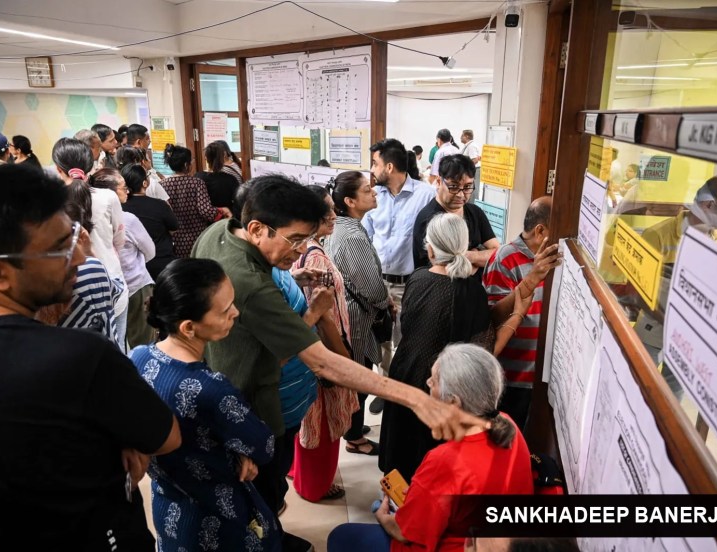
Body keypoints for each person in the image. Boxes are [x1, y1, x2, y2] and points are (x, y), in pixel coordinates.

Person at [192, 174, 488, 551]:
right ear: (256, 227)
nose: (299, 250)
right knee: (257, 492)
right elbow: (324, 363)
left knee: (267, 489)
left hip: (260, 394)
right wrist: (417, 399)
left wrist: (292, 273)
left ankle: (272, 533)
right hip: (253, 406)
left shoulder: (221, 231)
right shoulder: (250, 284)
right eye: (295, 240)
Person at [0, 163, 181, 550]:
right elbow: (166, 438)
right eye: (60, 248)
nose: (80, 256)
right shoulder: (79, 358)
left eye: (75, 234)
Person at [129, 258, 280, 551]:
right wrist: (241, 453)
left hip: (169, 505)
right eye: (225, 311)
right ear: (189, 327)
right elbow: (264, 446)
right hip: (216, 515)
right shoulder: (211, 389)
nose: (235, 313)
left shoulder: (138, 357)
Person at [328, 344, 533, 552]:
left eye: (433, 381)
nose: (427, 383)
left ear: (453, 402)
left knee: (343, 534)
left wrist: (383, 517)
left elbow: (404, 532)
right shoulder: (508, 425)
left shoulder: (444, 461)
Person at [380, 213, 527, 481]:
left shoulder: (418, 278)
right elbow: (483, 349)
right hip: (440, 387)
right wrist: (517, 314)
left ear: (431, 248)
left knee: (400, 449)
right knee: (426, 459)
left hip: (405, 372)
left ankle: (394, 501)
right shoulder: (471, 289)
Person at [633, 175, 717, 396]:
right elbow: (638, 293)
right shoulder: (657, 236)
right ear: (708, 205)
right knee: (636, 391)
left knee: (671, 402)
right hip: (652, 335)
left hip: (689, 343)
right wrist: (675, 323)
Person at [289, 185, 359, 503]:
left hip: (307, 351)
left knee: (308, 421)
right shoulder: (314, 258)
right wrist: (341, 358)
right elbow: (322, 315)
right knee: (324, 425)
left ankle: (300, 474)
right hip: (324, 351)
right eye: (326, 210)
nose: (333, 215)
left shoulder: (303, 250)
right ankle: (315, 485)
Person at [363, 138, 435, 413]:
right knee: (382, 340)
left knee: (408, 338)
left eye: (375, 164)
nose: (372, 170)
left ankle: (406, 393)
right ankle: (387, 388)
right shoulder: (373, 196)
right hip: (380, 281)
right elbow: (367, 238)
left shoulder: (425, 195)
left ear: (389, 166)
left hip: (411, 282)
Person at [482, 197, 562, 429]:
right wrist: (532, 278)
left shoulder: (556, 259)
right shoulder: (505, 258)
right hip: (513, 378)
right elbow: (493, 316)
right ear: (540, 230)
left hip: (544, 376)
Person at [327, 171, 389, 456]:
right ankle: (354, 438)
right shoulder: (351, 235)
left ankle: (354, 426)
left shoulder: (342, 226)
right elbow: (372, 288)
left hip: (348, 314)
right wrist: (387, 302)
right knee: (359, 377)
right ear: (350, 200)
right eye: (367, 190)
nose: (374, 193)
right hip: (356, 318)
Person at [53, 137, 129, 351]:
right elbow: (119, 240)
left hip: (68, 292)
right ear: (91, 164)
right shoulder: (108, 197)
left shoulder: (48, 202)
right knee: (116, 349)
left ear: (58, 169)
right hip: (111, 283)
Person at [91, 168, 157, 349]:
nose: (127, 191)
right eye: (123, 187)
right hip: (135, 285)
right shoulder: (128, 220)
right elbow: (150, 251)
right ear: (110, 194)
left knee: (117, 342)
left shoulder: (88, 216)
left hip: (106, 288)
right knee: (142, 342)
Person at [413, 154, 499, 276]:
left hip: (476, 291)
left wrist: (471, 256)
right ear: (438, 182)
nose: (461, 194)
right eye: (453, 186)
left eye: (467, 187)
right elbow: (440, 270)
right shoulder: (429, 220)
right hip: (443, 292)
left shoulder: (475, 212)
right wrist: (479, 259)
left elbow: (497, 254)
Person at [162, 144, 229, 258]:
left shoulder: (162, 185)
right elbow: (205, 211)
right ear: (186, 164)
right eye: (191, 160)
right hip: (198, 237)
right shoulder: (196, 183)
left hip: (175, 240)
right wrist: (222, 212)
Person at [120, 163, 179, 279]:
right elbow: (174, 228)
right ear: (145, 183)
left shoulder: (120, 208)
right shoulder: (160, 205)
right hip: (162, 262)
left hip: (133, 267)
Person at [199, 140, 242, 214]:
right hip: (227, 217)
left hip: (209, 216)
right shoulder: (231, 175)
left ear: (206, 158)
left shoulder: (199, 177)